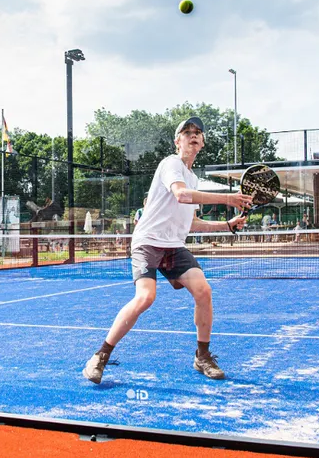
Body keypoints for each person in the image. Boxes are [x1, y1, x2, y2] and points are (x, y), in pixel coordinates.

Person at [82, 117, 252, 383]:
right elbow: (181, 195)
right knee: (146, 297)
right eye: (187, 132)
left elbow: (191, 223)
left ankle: (202, 356)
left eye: (197, 133)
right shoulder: (170, 164)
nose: (193, 136)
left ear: (203, 142)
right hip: (148, 242)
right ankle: (100, 356)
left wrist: (227, 224)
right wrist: (228, 199)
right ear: (177, 141)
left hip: (173, 246)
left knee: (203, 291)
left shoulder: (193, 178)